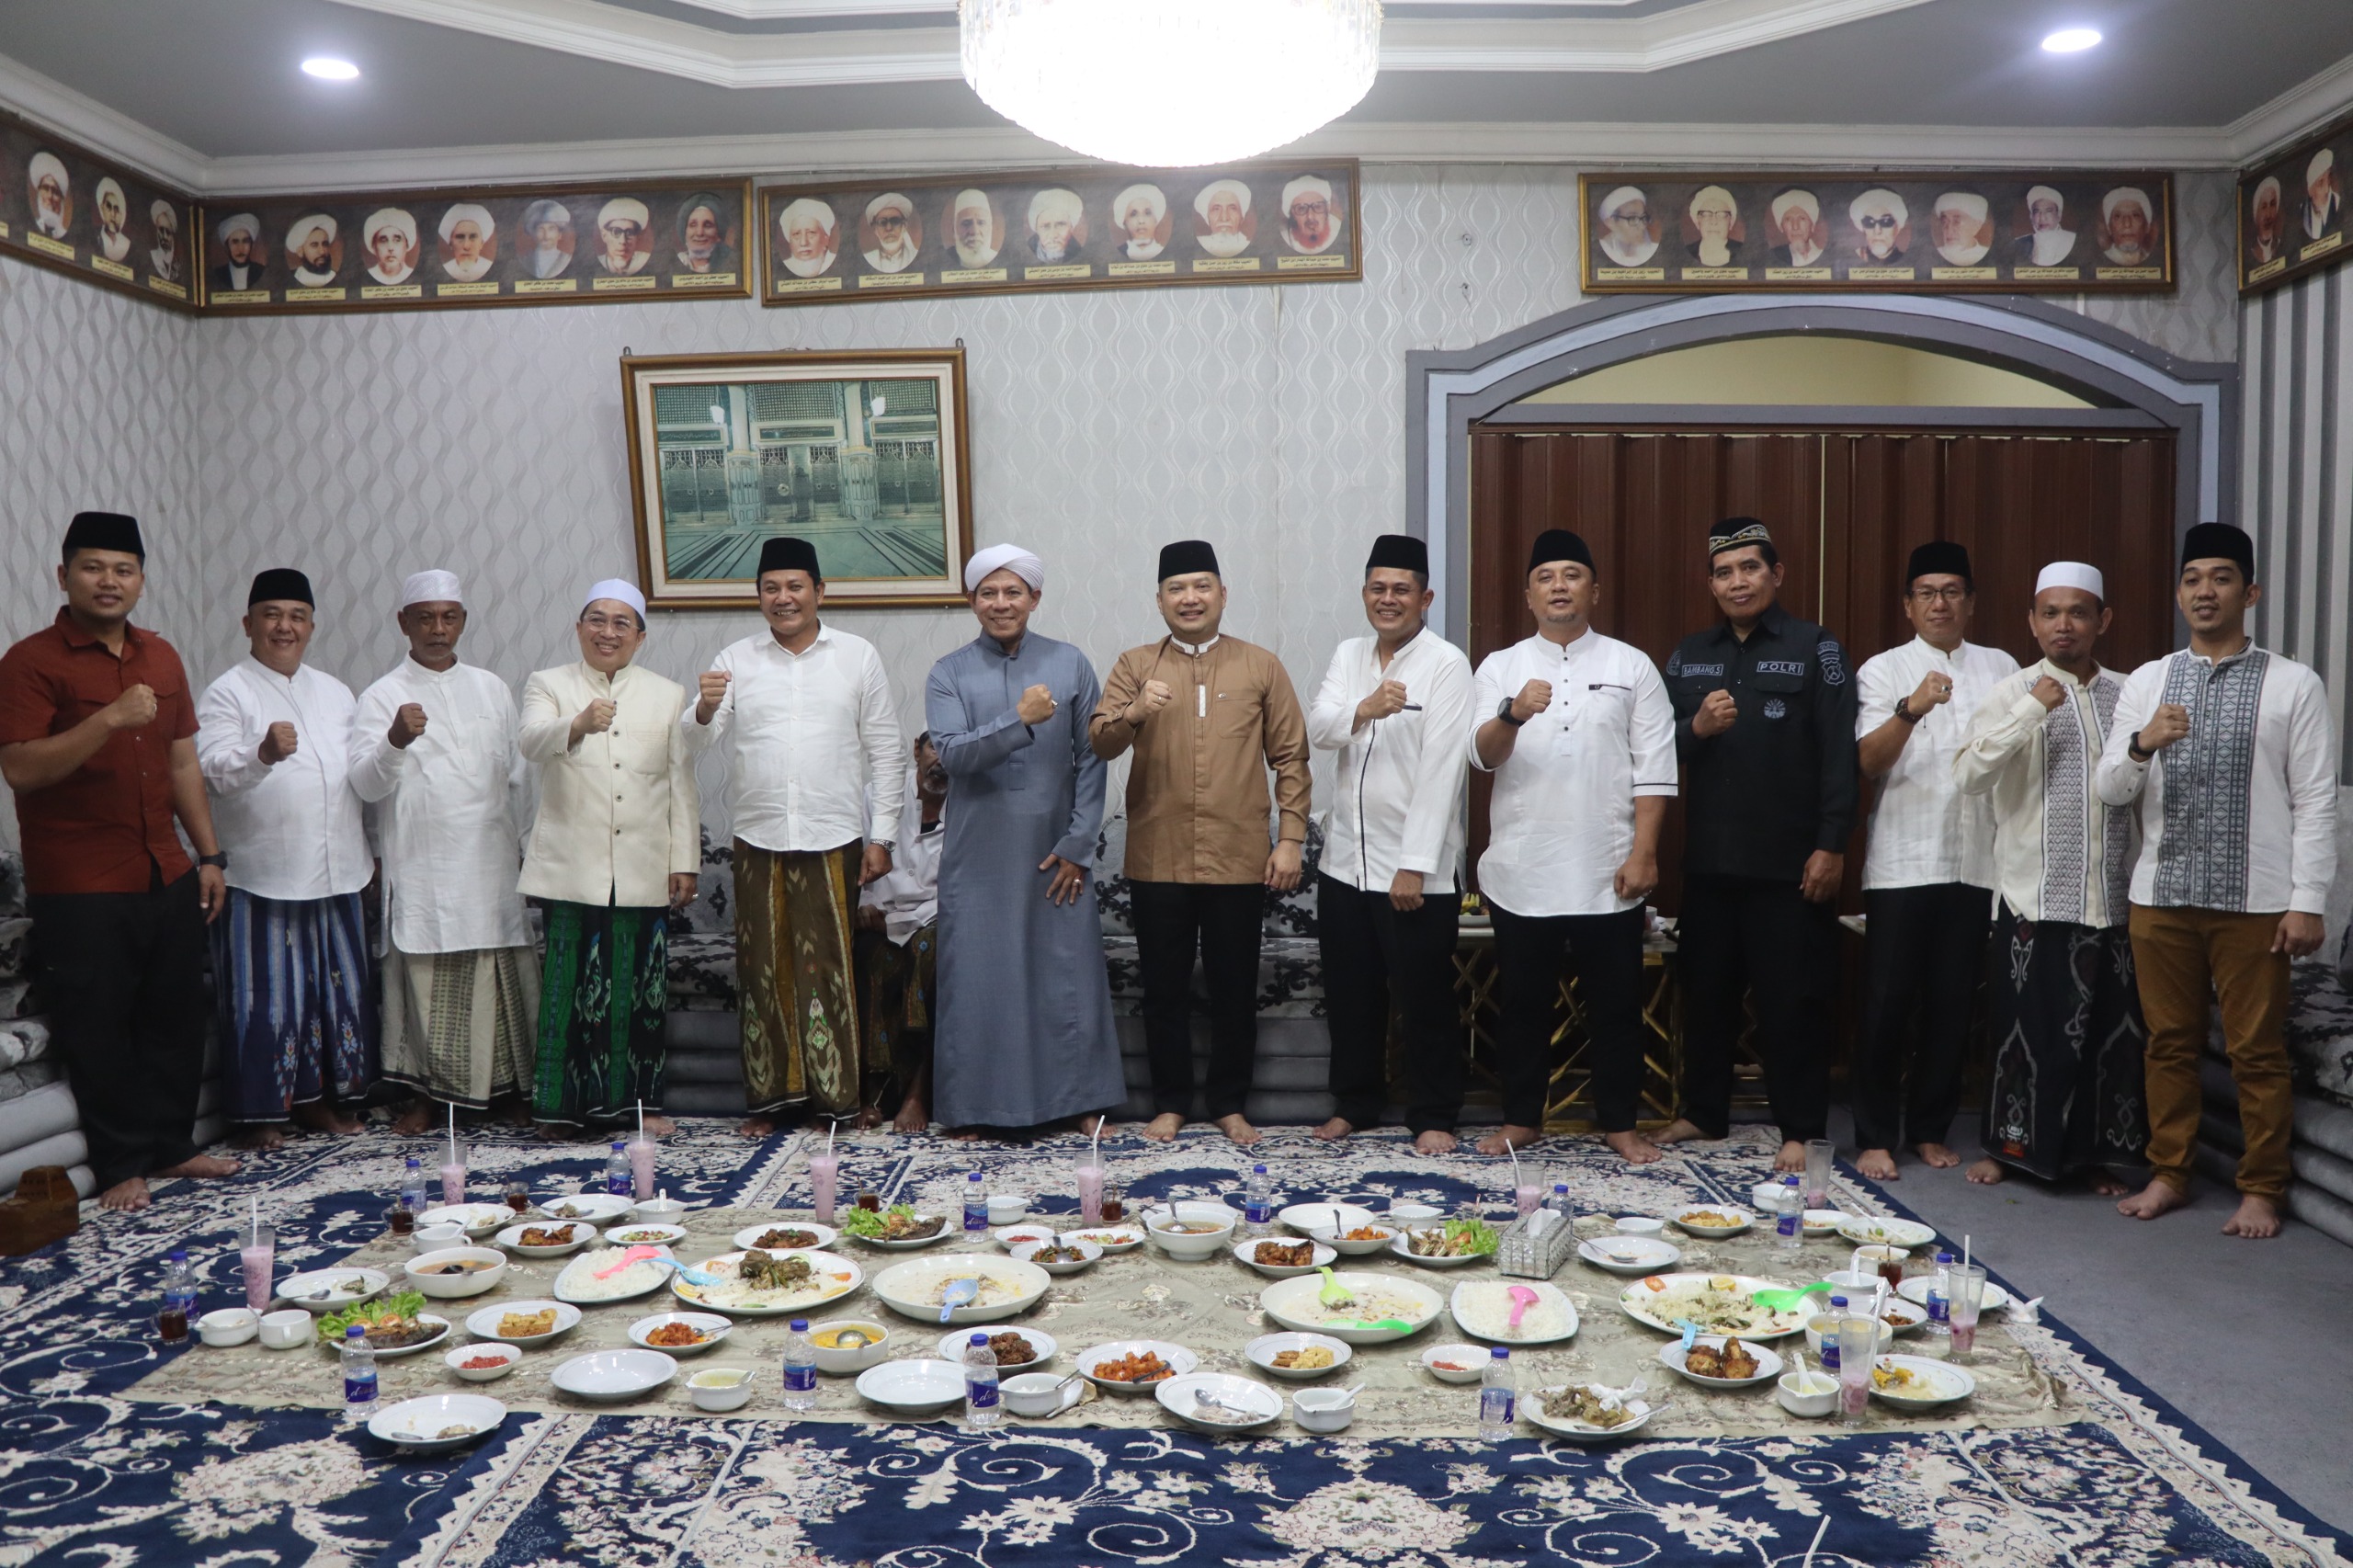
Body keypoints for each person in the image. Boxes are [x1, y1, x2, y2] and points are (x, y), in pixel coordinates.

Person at [2097, 523, 2337, 1240]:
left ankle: (2261, 1189)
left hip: (2256, 903)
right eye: (2193, 578)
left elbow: (2315, 800)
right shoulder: (2148, 681)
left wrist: (2307, 901)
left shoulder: (2294, 683)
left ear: (2250, 592)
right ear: (2180, 594)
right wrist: (2142, 744)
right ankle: (2170, 1174)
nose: (2206, 591)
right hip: (2161, 896)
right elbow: (2111, 790)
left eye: (2222, 578)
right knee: (2169, 1045)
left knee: (2256, 1053)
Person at [0, 512, 237, 1211]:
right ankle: (120, 1165)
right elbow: (20, 768)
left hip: (164, 866)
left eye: (123, 570)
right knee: (99, 1025)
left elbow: (183, 761)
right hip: (79, 880)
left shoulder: (160, 657)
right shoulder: (29, 662)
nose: (109, 581)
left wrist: (209, 854)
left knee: (175, 1014)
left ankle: (172, 1145)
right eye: (94, 567)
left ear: (140, 581)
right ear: (64, 575)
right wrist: (106, 718)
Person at [1092, 540, 1310, 1147]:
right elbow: (1101, 743)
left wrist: (1291, 839)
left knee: (1234, 989)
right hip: (1157, 856)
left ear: (1222, 594)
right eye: (1177, 589)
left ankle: (1229, 1105)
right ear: (1160, 600)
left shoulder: (1261, 666)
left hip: (1239, 858)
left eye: (1201, 586)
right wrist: (1136, 710)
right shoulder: (1136, 664)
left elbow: (1291, 757)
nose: (1190, 598)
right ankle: (1170, 1105)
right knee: (1163, 990)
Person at [685, 537, 902, 1137]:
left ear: (819, 591)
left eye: (795, 586)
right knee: (763, 970)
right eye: (771, 588)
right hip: (758, 839)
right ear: (759, 596)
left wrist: (883, 836)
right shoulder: (736, 659)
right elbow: (694, 741)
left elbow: (887, 751)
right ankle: (771, 1103)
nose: (784, 598)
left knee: (830, 968)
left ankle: (839, 1099)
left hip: (835, 837)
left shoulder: (857, 656)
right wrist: (703, 709)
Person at [1472, 530, 1677, 1164]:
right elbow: (1481, 756)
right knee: (1522, 1006)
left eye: (1572, 575)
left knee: (1616, 1007)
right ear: (1528, 595)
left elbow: (1655, 767)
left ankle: (1620, 1123)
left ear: (1595, 590)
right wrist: (1511, 713)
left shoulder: (1630, 666)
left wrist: (1644, 852)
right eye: (1546, 577)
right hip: (1523, 869)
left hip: (1606, 869)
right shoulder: (1500, 666)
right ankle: (1521, 1120)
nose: (1559, 586)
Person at [1663, 517, 1859, 1173]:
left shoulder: (1816, 647)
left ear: (1776, 574)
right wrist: (1696, 727)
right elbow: (1654, 748)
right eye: (1724, 572)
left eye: (1750, 568)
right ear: (1711, 584)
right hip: (1710, 864)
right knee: (1706, 996)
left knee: (1792, 1004)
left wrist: (1832, 845)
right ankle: (1702, 1112)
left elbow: (1839, 756)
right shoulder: (1689, 654)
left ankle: (1799, 1129)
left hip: (1790, 866)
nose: (1737, 582)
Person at [1953, 562, 2145, 1195]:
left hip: (2112, 897)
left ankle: (2092, 1157)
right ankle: (2008, 1151)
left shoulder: (2128, 693)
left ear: (2102, 620)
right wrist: (2031, 711)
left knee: (2107, 1038)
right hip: (2032, 895)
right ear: (2033, 623)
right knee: (2025, 1035)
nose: (2065, 625)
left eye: (2078, 612)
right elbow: (1969, 775)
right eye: (2051, 613)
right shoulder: (2013, 692)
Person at [925, 545, 1124, 1133]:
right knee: (977, 977)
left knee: (1065, 975)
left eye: (1013, 592)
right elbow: (953, 756)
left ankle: (1080, 1103)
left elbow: (1093, 759)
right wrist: (1021, 719)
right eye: (988, 593)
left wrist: (1078, 845)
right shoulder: (948, 672)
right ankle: (972, 1107)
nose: (1001, 603)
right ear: (972, 601)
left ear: (1034, 598)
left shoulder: (1070, 663)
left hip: (1054, 852)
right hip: (977, 855)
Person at [1850, 542, 2017, 1182]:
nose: (1939, 604)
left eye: (1951, 592)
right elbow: (1868, 763)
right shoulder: (1883, 669)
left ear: (1970, 602)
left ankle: (1928, 1129)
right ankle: (1873, 1136)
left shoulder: (2002, 667)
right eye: (1927, 593)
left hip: (1978, 861)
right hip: (1904, 859)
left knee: (1952, 1006)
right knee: (1887, 1004)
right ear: (1908, 605)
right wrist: (1911, 708)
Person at [349, 571, 536, 1132]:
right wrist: (394, 740)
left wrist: (525, 849)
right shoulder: (381, 695)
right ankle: (430, 1099)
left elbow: (519, 777)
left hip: (491, 862)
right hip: (425, 867)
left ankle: (509, 1094)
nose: (437, 628)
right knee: (430, 985)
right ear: (403, 623)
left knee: (500, 982)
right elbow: (364, 785)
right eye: (425, 617)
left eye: (448, 617)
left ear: (462, 622)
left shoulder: (491, 688)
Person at [198, 568, 378, 1150]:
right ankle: (260, 1116)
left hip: (337, 869)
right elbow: (211, 774)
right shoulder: (228, 691)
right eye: (272, 615)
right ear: (247, 624)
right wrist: (262, 753)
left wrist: (373, 852)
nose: (284, 626)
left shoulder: (337, 692)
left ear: (312, 627)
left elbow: (359, 775)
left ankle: (320, 1103)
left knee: (333, 995)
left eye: (297, 616)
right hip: (263, 876)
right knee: (267, 998)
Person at [1306, 535, 1474, 1154]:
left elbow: (1443, 770)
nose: (1388, 599)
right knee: (1351, 995)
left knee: (1424, 997)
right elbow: (1320, 728)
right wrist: (1366, 707)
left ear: (1425, 599)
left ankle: (1434, 1113)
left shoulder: (1447, 664)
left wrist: (1414, 865)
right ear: (1364, 594)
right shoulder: (1349, 655)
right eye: (1378, 588)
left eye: (1402, 589)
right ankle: (1355, 1104)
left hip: (1413, 872)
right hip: (1344, 863)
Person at [517, 579, 698, 1138]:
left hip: (644, 865)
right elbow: (529, 742)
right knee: (568, 992)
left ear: (640, 637)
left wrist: (685, 859)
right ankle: (559, 1110)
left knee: (640, 993)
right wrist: (576, 724)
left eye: (622, 623)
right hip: (571, 867)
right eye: (597, 620)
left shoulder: (667, 694)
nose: (608, 632)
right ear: (579, 628)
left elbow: (680, 782)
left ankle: (641, 1107)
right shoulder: (548, 684)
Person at [857, 733, 948, 1133]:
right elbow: (854, 858)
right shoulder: (878, 797)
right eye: (933, 748)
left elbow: (964, 884)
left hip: (936, 918)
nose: (940, 760)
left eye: (951, 750)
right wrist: (863, 905)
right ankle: (872, 1095)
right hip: (880, 915)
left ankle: (917, 1093)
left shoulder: (970, 805)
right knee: (870, 959)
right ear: (916, 751)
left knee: (929, 953)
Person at [2013, 185, 2077, 267]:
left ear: (2059, 215)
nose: (2042, 218)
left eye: (2048, 211)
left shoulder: (2071, 240)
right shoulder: (2020, 243)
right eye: (2037, 212)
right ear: (2031, 217)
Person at [1595, 186, 1657, 267]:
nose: (1642, 226)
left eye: (1643, 217)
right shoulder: (1603, 250)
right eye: (1633, 218)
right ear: (1611, 223)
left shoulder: (1650, 249)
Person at [675, 192, 736, 274]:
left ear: (718, 234)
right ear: (685, 232)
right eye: (693, 225)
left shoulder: (727, 262)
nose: (699, 233)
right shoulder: (679, 261)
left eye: (707, 225)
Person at [1685, 185, 1742, 267]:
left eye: (1721, 215)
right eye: (1706, 214)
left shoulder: (1743, 251)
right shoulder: (1687, 252)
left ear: (1731, 222)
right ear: (1697, 222)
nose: (1714, 222)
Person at [778, 198, 836, 278]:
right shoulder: (784, 267)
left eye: (811, 233)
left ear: (826, 239)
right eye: (796, 234)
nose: (803, 243)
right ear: (789, 241)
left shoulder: (836, 263)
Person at [1766, 188, 1825, 268]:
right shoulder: (1775, 257)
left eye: (1802, 219)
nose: (1795, 227)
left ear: (1812, 226)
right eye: (1788, 219)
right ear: (1781, 227)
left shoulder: (1824, 255)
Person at [1194, 180, 1252, 257]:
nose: (1224, 218)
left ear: (1241, 217)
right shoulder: (1199, 246)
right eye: (1216, 209)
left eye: (1232, 208)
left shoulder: (1249, 247)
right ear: (1207, 218)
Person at [1281, 175, 1337, 255]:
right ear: (1293, 214)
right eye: (1301, 209)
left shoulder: (1340, 233)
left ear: (1327, 209)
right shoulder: (1284, 239)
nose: (1310, 216)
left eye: (1317, 206)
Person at [1027, 187, 1086, 264]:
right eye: (1045, 226)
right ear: (1037, 229)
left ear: (1071, 228)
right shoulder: (1027, 252)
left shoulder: (1081, 254)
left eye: (1061, 225)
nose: (1053, 235)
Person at [862, 192, 917, 272]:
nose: (889, 228)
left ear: (904, 226)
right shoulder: (869, 258)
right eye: (882, 222)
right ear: (876, 230)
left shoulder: (914, 256)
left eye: (895, 221)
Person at [1930, 191, 1990, 266]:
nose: (1949, 230)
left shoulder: (1984, 254)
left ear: (1977, 226)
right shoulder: (1935, 253)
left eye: (1957, 222)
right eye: (1944, 222)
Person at [438, 203, 494, 282]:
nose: (466, 246)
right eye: (460, 237)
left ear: (481, 244)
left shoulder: (489, 268)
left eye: (473, 237)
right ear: (451, 244)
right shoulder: (446, 269)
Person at [595, 198, 652, 276]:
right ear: (604, 236)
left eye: (630, 233)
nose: (623, 241)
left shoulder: (645, 261)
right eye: (616, 232)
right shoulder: (595, 264)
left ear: (638, 237)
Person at [1849, 188, 1907, 263]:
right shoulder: (1854, 257)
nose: (1877, 231)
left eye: (1886, 222)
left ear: (1897, 228)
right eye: (1869, 222)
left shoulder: (1908, 260)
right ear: (1863, 229)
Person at [945, 188, 998, 268]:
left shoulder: (998, 258)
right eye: (966, 223)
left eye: (981, 223)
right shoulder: (945, 259)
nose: (974, 231)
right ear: (954, 229)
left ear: (990, 228)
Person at [2101, 187, 2155, 266]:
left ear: (2147, 226)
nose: (2127, 224)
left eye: (2135, 215)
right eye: (2118, 216)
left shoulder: (2155, 260)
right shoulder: (2100, 261)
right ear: (2109, 228)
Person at [363, 207, 416, 286]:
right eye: (383, 241)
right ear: (374, 247)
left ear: (406, 245)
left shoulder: (414, 275)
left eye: (397, 240)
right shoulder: (366, 276)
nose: (391, 248)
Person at [1112, 184, 1166, 261]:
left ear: (1155, 220)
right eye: (1133, 214)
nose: (1141, 221)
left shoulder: (1166, 253)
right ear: (1124, 222)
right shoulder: (1115, 255)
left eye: (1147, 213)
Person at [212, 211, 265, 291]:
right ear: (227, 247)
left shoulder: (260, 271)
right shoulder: (220, 274)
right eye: (235, 242)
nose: (240, 248)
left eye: (245, 241)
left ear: (252, 245)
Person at [521, 199, 574, 278]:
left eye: (551, 229)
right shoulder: (526, 260)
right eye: (541, 229)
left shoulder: (566, 259)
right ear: (534, 234)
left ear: (559, 235)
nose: (546, 236)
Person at [288, 214, 338, 286]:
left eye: (325, 244)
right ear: (300, 251)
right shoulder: (294, 275)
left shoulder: (336, 277)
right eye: (314, 245)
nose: (322, 252)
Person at [28, 151, 68, 241]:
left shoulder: (64, 234)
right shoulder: (30, 225)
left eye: (55, 191)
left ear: (61, 199)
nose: (50, 196)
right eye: (45, 188)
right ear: (38, 192)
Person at [2304, 149, 2340, 241]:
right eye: (2320, 183)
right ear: (2310, 191)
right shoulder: (2304, 211)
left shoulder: (2336, 201)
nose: (2327, 190)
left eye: (2328, 179)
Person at [2249, 176, 2284, 266]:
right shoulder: (2252, 251)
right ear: (2256, 213)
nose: (2268, 215)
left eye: (2272, 205)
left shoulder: (2281, 244)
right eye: (2264, 207)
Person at [94, 178, 130, 262]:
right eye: (108, 207)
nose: (113, 214)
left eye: (116, 209)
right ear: (102, 208)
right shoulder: (96, 237)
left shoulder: (126, 243)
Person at [146, 199, 181, 281]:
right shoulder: (152, 256)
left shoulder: (177, 265)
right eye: (161, 230)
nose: (164, 236)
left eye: (168, 232)